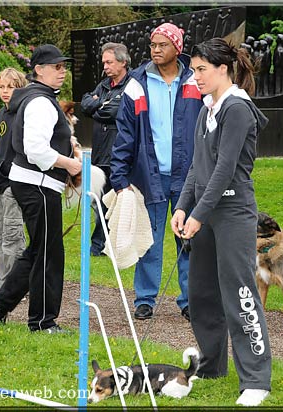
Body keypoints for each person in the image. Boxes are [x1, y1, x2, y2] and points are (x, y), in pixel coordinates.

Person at [170, 38, 272, 407]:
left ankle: (256, 379)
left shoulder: (237, 109)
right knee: (201, 294)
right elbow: (198, 167)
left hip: (232, 213)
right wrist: (184, 207)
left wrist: (198, 214)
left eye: (201, 69)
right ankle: (211, 364)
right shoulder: (206, 109)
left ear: (223, 70)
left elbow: (226, 170)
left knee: (240, 295)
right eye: (193, 69)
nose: (195, 76)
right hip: (206, 214)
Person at [0, 44, 82, 333]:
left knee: (40, 250)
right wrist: (70, 164)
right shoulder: (39, 102)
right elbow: (36, 150)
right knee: (49, 254)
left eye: (64, 66)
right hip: (37, 184)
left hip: (33, 183)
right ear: (39, 69)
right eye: (57, 66)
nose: (62, 72)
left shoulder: (37, 98)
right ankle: (41, 322)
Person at [111, 23, 203, 321]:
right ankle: (145, 299)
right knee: (148, 239)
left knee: (187, 239)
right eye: (153, 45)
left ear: (178, 47)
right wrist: (119, 175)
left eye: (163, 44)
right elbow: (124, 133)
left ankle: (189, 300)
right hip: (148, 174)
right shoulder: (137, 82)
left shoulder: (195, 81)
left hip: (187, 176)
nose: (156, 50)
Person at [81, 42, 131, 256]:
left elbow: (115, 111)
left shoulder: (131, 85)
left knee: (117, 201)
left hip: (120, 151)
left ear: (123, 62)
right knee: (99, 200)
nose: (105, 66)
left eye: (109, 62)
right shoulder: (104, 85)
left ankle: (107, 245)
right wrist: (101, 104)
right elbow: (85, 104)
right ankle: (99, 245)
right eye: (104, 62)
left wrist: (98, 105)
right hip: (100, 151)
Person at [0, 68, 28, 296]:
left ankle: (15, 285)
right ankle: (2, 283)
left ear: (20, 87)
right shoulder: (1, 114)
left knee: (12, 235)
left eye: (10, 86)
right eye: (1, 86)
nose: (5, 91)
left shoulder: (25, 114)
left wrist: (11, 175)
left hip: (14, 183)